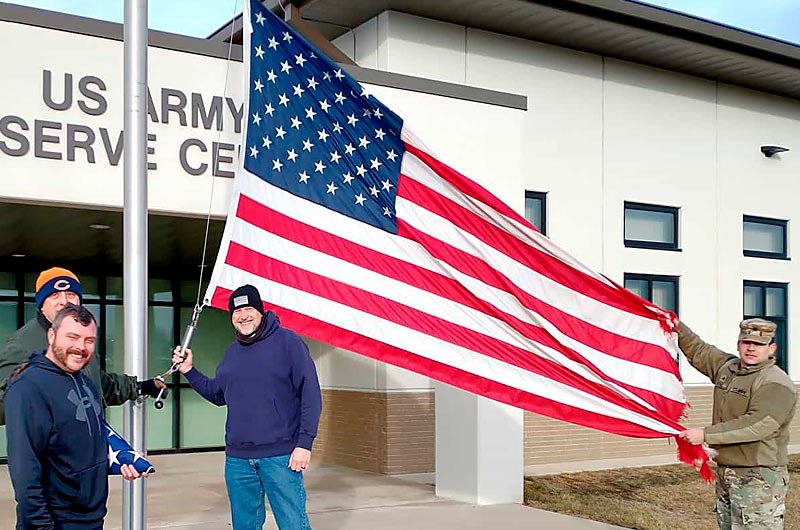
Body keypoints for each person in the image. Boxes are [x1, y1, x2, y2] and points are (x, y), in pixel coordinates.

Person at [172, 284, 322, 530]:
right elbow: (218, 394)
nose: (243, 316)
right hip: (238, 460)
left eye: (248, 308)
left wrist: (304, 444)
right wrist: (189, 370)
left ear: (261, 311)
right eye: (236, 311)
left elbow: (311, 395)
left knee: (294, 525)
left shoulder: (288, 343)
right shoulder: (232, 353)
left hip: (281, 456)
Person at [5, 304, 145, 530]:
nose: (81, 347)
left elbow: (89, 437)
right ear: (51, 335)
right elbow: (26, 475)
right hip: (56, 523)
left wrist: (121, 459)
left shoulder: (84, 382)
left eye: (89, 340)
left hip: (91, 519)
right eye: (72, 337)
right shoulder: (28, 388)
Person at [0, 267, 165, 424]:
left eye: (71, 294)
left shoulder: (81, 341)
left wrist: (141, 387)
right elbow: (4, 405)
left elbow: (100, 385)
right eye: (54, 295)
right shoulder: (21, 345)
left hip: (89, 447)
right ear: (42, 305)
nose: (64, 302)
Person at [677, 318, 796, 530]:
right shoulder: (729, 369)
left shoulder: (775, 382)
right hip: (727, 475)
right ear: (738, 344)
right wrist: (674, 325)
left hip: (758, 479)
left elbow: (757, 424)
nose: (751, 348)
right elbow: (698, 350)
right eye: (746, 342)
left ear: (772, 348)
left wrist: (705, 435)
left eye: (759, 344)